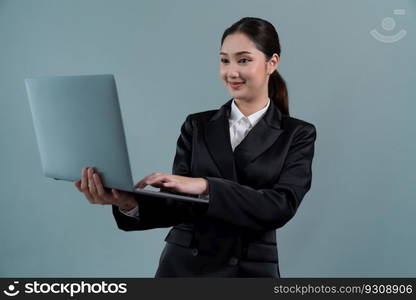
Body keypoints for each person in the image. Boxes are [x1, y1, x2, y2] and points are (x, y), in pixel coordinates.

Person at [74, 17, 317, 277]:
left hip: (249, 269)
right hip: (183, 267)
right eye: (224, 60)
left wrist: (206, 185)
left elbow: (279, 206)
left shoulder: (297, 133)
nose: (231, 72)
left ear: (272, 63)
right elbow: (180, 205)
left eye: (243, 60)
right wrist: (128, 202)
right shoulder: (197, 124)